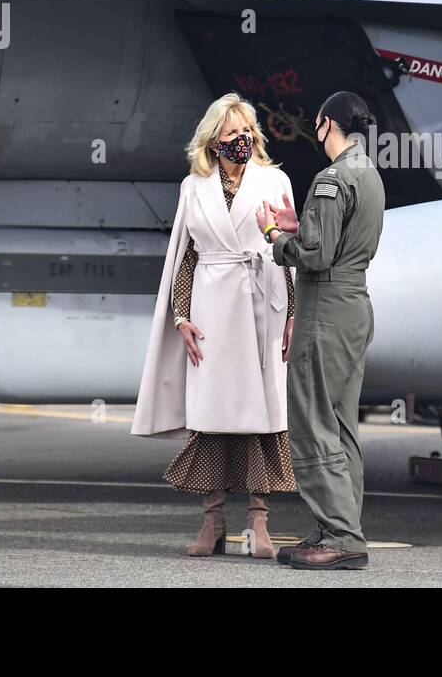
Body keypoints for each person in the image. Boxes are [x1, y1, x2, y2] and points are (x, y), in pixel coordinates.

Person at [131, 93, 298, 560]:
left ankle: (258, 524)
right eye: (232, 134)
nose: (241, 139)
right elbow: (184, 257)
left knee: (263, 413)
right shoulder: (194, 187)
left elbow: (287, 250)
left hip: (262, 304)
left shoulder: (275, 179)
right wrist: (181, 316)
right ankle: (213, 521)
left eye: (247, 131)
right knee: (211, 415)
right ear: (214, 141)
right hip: (210, 309)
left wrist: (291, 315)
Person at [256, 91, 385, 570]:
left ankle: (342, 536)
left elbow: (314, 255)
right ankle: (337, 526)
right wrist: (302, 225)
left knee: (312, 421)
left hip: (325, 308)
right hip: (354, 306)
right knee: (341, 422)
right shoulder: (368, 174)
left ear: (325, 124)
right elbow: (334, 236)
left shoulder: (331, 179)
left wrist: (274, 234)